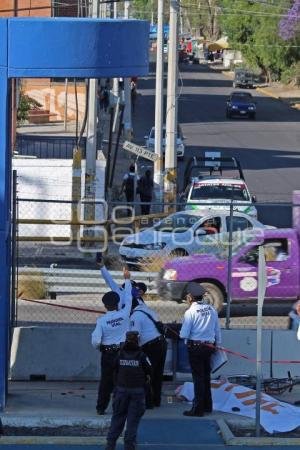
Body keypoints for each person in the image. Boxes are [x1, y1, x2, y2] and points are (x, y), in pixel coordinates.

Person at [91, 269, 132, 415]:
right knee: (121, 382)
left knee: (105, 382)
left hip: (108, 354)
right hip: (123, 352)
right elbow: (128, 298)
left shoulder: (101, 321)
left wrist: (101, 347)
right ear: (117, 304)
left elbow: (95, 341)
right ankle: (118, 408)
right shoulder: (125, 313)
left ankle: (100, 408)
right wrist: (127, 280)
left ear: (105, 306)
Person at [180, 282, 221, 417]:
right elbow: (217, 330)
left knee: (198, 379)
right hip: (209, 346)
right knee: (206, 377)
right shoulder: (211, 309)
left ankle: (198, 409)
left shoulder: (190, 312)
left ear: (190, 297)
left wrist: (182, 333)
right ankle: (208, 406)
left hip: (196, 348)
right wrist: (218, 345)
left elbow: (184, 334)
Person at [105, 331, 151, 450]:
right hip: (137, 392)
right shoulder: (141, 355)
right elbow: (150, 370)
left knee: (117, 419)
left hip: (121, 391)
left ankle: (110, 445)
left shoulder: (120, 354)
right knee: (132, 422)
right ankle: (129, 446)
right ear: (138, 340)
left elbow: (113, 369)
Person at [130, 299, 167, 408]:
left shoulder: (135, 316)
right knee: (158, 374)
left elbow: (135, 335)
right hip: (161, 343)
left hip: (150, 347)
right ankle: (157, 400)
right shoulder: (148, 311)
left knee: (146, 374)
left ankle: (148, 403)